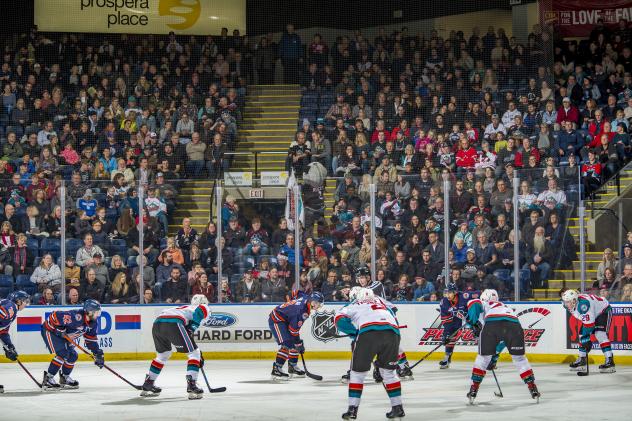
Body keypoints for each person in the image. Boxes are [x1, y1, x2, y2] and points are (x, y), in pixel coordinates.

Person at [335, 288, 405, 420]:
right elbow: (394, 314)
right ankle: (398, 408)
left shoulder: (353, 304)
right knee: (389, 373)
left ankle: (352, 410)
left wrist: (354, 332)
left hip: (368, 334)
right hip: (393, 333)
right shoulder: (381, 302)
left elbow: (338, 319)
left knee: (357, 374)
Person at [465, 289, 540, 403]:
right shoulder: (506, 307)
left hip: (492, 324)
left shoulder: (484, 303)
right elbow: (502, 341)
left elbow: (474, 303)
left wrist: (473, 323)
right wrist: (494, 357)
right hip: (515, 325)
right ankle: (533, 388)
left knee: (483, 358)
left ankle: (473, 389)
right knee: (520, 359)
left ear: (484, 298)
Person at [141, 295, 212, 399]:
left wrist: (190, 333)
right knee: (194, 353)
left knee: (163, 355)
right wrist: (192, 329)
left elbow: (186, 328)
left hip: (157, 323)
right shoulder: (204, 307)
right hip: (174, 323)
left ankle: (149, 383)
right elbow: (200, 311)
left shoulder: (184, 308)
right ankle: (192, 385)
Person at [40, 299, 104, 390]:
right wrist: (59, 329)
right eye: (97, 312)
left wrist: (97, 353)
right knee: (63, 353)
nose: (98, 314)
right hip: (50, 331)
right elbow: (54, 316)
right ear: (90, 312)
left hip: (64, 336)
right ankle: (48, 379)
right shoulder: (77, 317)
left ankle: (65, 378)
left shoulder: (93, 324)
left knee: (73, 356)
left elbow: (91, 340)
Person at [268, 292, 324, 380]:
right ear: (313, 302)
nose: (320, 306)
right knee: (287, 343)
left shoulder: (306, 298)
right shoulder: (301, 312)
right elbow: (293, 331)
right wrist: (298, 344)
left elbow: (296, 292)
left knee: (295, 342)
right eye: (319, 304)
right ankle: (277, 369)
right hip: (277, 319)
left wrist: (290, 303)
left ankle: (292, 366)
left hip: (286, 318)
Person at [561, 289, 615, 373]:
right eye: (565, 301)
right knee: (582, 335)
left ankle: (610, 361)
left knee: (600, 334)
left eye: (568, 301)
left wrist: (586, 339)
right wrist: (585, 338)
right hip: (593, 312)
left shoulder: (584, 304)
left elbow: (590, 325)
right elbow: (584, 319)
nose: (566, 304)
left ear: (574, 300)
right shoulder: (568, 304)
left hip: (603, 311)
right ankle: (582, 360)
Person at [0, 291, 30, 393]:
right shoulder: (11, 306)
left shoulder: (12, 309)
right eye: (25, 301)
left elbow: (3, 331)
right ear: (18, 301)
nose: (26, 304)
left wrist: (9, 346)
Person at [437, 283, 469, 369]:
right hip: (451, 321)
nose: (448, 295)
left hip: (469, 318)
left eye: (450, 292)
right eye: (447, 292)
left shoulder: (463, 296)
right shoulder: (444, 301)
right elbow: (447, 321)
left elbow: (477, 295)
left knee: (479, 334)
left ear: (455, 292)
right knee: (449, 337)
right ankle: (447, 358)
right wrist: (446, 334)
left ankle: (489, 357)